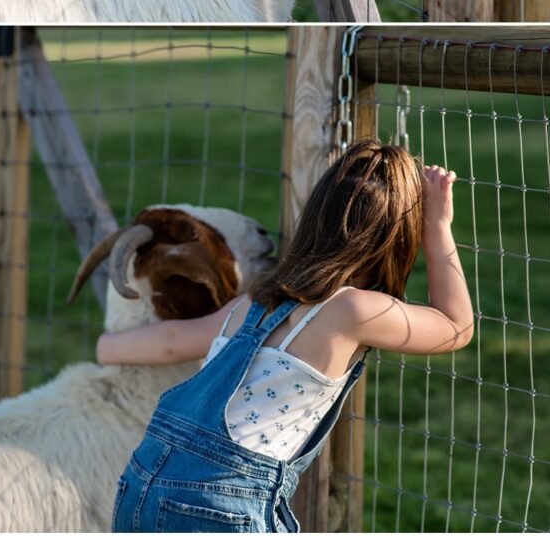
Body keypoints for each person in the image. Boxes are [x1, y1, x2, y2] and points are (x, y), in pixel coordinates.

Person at [97, 138, 473, 533]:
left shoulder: (255, 301)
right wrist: (439, 227)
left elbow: (171, 340)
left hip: (141, 483)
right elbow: (456, 326)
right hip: (220, 502)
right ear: (397, 238)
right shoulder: (355, 310)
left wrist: (106, 346)